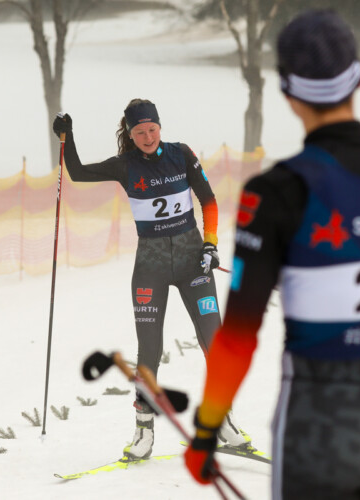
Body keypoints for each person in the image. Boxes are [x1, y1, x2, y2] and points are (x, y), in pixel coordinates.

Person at [184, 10, 360, 499]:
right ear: (357, 78)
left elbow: (237, 336)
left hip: (317, 426)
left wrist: (207, 429)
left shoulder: (274, 193)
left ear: (288, 92)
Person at [52, 99, 251, 461]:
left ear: (160, 127)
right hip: (151, 267)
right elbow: (78, 173)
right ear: (130, 134)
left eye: (152, 129)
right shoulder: (125, 166)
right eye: (139, 131)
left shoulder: (182, 154)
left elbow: (208, 200)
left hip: (194, 264)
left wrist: (210, 245)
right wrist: (68, 137)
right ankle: (143, 432)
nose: (147, 136)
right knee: (149, 352)